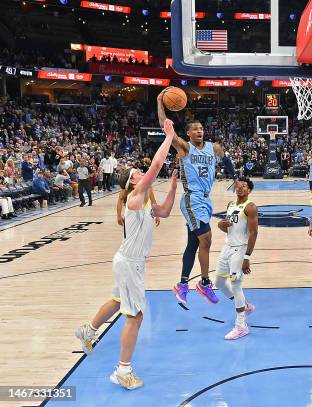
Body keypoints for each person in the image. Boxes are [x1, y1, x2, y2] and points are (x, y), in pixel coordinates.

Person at [74, 119, 179, 390]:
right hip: (129, 263)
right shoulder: (134, 198)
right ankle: (123, 370)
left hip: (128, 261)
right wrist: (168, 137)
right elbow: (155, 166)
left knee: (116, 299)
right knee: (135, 316)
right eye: (137, 174)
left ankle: (88, 330)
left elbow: (164, 212)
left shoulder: (143, 203)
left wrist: (173, 188)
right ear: (132, 182)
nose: (141, 174)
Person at [156, 89, 225, 304]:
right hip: (192, 199)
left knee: (194, 244)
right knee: (207, 238)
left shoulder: (213, 148)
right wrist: (160, 101)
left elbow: (226, 158)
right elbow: (164, 129)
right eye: (195, 129)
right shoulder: (185, 148)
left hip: (206, 199)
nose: (199, 131)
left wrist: (235, 175)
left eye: (201, 128)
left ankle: (182, 284)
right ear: (188, 134)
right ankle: (204, 284)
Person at [215, 178, 258, 340]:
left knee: (236, 285)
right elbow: (229, 229)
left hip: (240, 250)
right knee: (219, 282)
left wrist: (247, 256)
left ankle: (241, 326)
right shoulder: (230, 205)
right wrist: (220, 225)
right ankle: (245, 306)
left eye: (244, 186)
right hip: (227, 247)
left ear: (249, 190)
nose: (240, 188)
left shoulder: (250, 207)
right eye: (238, 186)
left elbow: (254, 233)